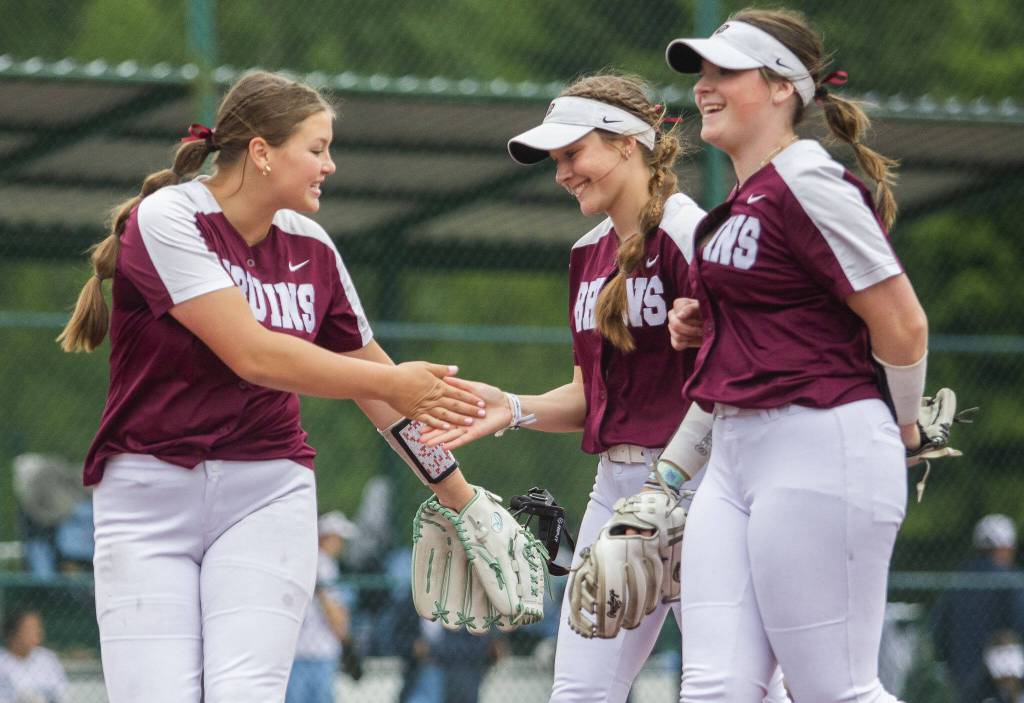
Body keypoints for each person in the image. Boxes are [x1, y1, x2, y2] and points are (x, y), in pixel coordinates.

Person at [55, 70, 493, 703]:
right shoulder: (169, 217)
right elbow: (252, 354)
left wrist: (462, 499)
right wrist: (393, 381)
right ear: (261, 152)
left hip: (265, 492)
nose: (330, 165)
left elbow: (382, 400)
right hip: (148, 498)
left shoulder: (311, 246)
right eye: (317, 148)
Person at [423, 73, 787, 703]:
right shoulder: (588, 253)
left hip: (704, 486)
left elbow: (740, 377)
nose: (562, 172)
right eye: (556, 160)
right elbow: (590, 396)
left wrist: (670, 485)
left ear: (627, 144)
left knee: (728, 691)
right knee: (579, 692)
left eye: (573, 153)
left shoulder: (688, 234)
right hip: (615, 491)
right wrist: (511, 407)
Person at [663, 8, 932, 701]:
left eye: (727, 71)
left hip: (820, 439)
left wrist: (905, 426)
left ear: (783, 87)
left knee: (834, 690)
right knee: (716, 688)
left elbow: (902, 324)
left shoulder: (807, 181)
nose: (704, 86)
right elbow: (785, 306)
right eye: (703, 73)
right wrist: (706, 321)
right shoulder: (745, 197)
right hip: (734, 455)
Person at [933, 514, 1024, 702]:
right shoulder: (1012, 580)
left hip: (962, 676)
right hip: (1005, 680)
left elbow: (938, 631)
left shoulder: (958, 580)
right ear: (1005, 548)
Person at [285, 511, 359, 703]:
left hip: (297, 649)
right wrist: (344, 635)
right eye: (338, 538)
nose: (341, 544)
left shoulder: (304, 559)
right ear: (328, 537)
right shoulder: (325, 564)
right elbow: (335, 614)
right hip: (319, 650)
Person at [0, 609, 68, 703]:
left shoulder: (48, 658)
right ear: (13, 633)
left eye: (38, 628)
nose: (38, 633)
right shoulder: (2, 663)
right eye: (30, 629)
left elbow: (61, 692)